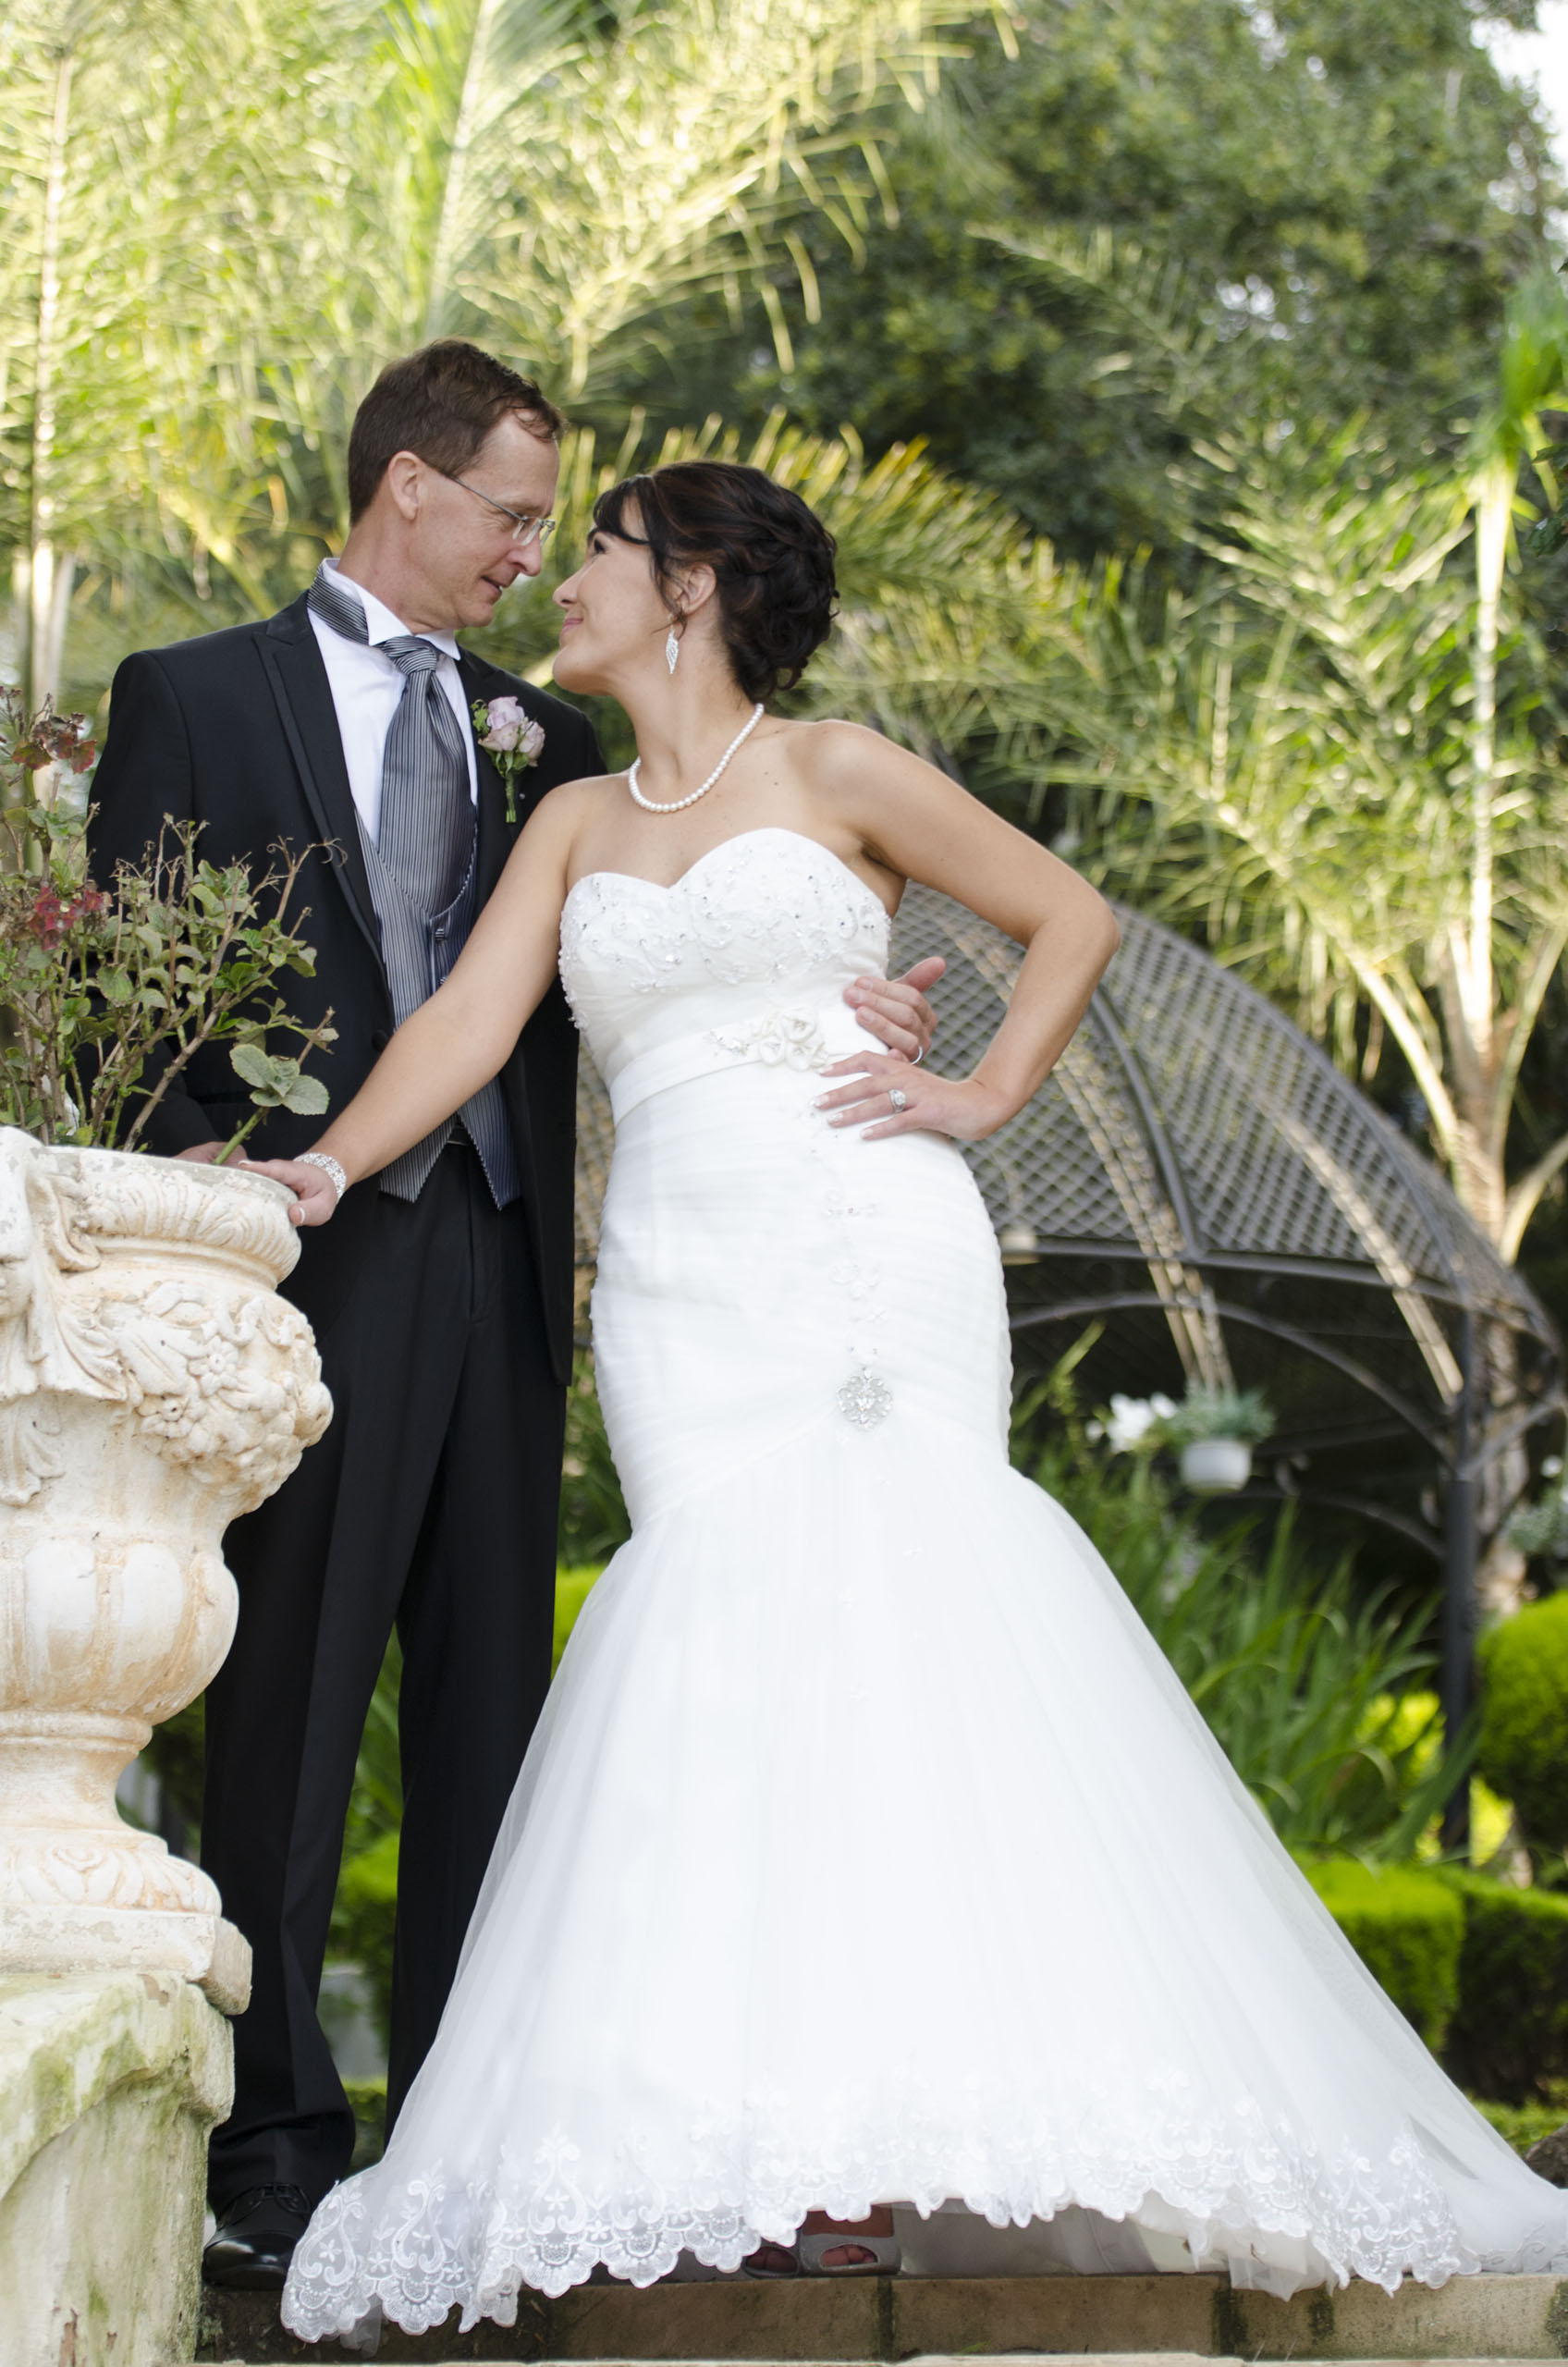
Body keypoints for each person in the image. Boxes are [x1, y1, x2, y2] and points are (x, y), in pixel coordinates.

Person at [262, 457, 1567, 2346]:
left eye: (598, 548)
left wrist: (978, 1091)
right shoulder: (570, 819)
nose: (562, 577)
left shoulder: (837, 768)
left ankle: (896, 2141)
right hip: (679, 1287)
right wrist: (319, 1166)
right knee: (718, 1649)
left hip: (863, 1235)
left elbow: (1068, 916)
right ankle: (756, 2137)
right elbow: (469, 1022)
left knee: (896, 1616)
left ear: (691, 585)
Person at [86, 353, 937, 2291]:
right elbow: (133, 987)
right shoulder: (191, 694)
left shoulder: (557, 736)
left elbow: (695, 918)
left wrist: (871, 995)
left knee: (500, 1717)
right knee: (288, 1705)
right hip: (305, 1256)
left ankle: (475, 2139)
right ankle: (275, 2154)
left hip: (515, 1258)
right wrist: (227, 1185)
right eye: (511, 516)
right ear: (409, 486)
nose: (532, 556)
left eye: (561, 531)